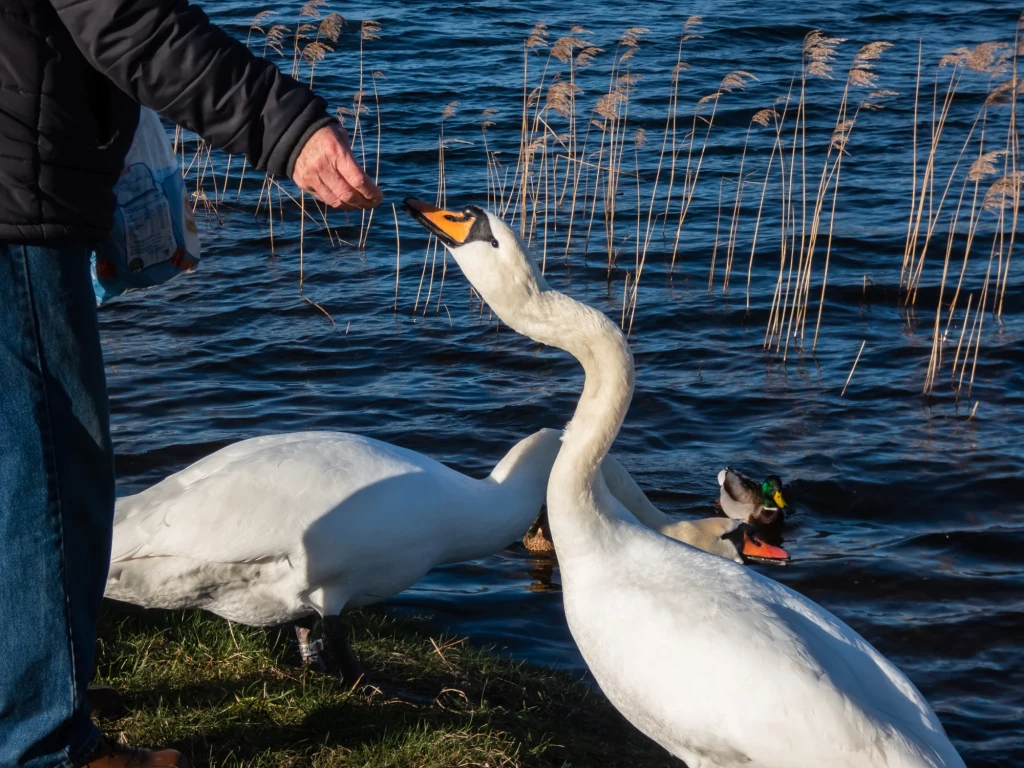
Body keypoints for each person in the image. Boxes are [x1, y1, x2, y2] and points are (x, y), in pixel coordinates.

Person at [0, 0, 383, 765]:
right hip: (11, 200)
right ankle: (44, 742)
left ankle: (30, 688)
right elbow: (127, 19)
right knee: (46, 468)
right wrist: (286, 127)